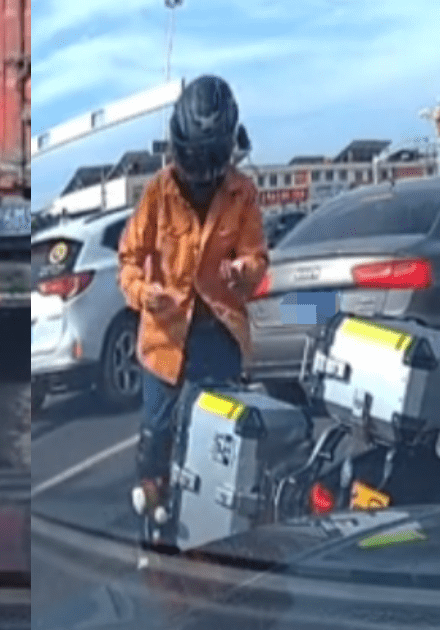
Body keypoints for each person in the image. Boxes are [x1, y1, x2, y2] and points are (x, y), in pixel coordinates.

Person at [116, 75, 269, 533]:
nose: (198, 180)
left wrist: (242, 271)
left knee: (219, 440)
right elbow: (128, 261)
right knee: (157, 437)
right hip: (165, 338)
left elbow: (257, 259)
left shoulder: (243, 193)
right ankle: (154, 512)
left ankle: (217, 524)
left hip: (218, 336)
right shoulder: (158, 193)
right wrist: (145, 293)